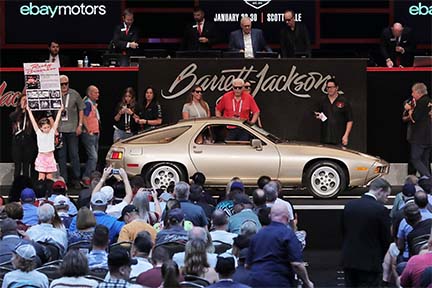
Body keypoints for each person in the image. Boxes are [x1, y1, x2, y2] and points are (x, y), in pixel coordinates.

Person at [247, 202, 313, 288]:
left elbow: (247, 265)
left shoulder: (257, 235)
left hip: (257, 280)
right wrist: (307, 282)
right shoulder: (288, 234)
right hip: (279, 281)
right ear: (287, 217)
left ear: (270, 216)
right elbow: (296, 264)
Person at [341, 178, 392, 287]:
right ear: (380, 191)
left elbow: (343, 231)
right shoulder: (380, 210)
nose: (386, 199)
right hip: (370, 263)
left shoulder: (349, 206)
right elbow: (386, 238)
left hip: (349, 259)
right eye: (386, 195)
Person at [57, 75, 85, 189]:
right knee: (61, 156)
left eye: (66, 84)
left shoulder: (74, 94)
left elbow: (81, 109)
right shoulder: (55, 95)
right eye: (62, 84)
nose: (64, 86)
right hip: (60, 130)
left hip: (73, 129)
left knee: (74, 155)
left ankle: (76, 179)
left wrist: (80, 125)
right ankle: (63, 180)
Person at [26, 101, 63, 180]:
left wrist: (60, 110)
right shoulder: (39, 133)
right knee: (41, 177)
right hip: (42, 157)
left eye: (48, 127)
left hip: (50, 156)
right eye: (45, 128)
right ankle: (40, 191)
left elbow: (56, 121)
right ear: (41, 128)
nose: (47, 129)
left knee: (49, 178)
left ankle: (49, 192)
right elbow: (33, 122)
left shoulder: (52, 132)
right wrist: (29, 111)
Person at [403, 83, 431, 179]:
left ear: (418, 92)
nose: (412, 94)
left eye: (413, 92)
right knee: (424, 160)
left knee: (415, 159)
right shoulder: (430, 101)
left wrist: (409, 109)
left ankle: (429, 179)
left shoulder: (421, 102)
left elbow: (414, 118)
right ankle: (428, 185)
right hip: (429, 135)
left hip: (419, 136)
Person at [314, 78, 353, 146]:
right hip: (325, 138)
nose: (329, 89)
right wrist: (317, 115)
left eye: (331, 87)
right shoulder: (323, 101)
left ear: (336, 88)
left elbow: (350, 120)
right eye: (328, 87)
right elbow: (316, 112)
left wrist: (346, 135)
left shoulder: (344, 101)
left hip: (339, 139)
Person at [10, 93, 37, 179]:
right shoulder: (16, 113)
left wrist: (28, 110)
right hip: (17, 142)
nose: (25, 102)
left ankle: (26, 185)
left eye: (27, 100)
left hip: (28, 141)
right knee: (17, 166)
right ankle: (16, 185)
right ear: (19, 102)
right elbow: (12, 117)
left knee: (26, 165)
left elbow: (34, 122)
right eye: (23, 100)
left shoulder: (31, 114)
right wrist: (20, 110)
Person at [81, 85, 100, 185]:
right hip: (89, 134)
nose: (98, 94)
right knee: (93, 157)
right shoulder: (87, 103)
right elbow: (83, 117)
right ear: (90, 94)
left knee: (94, 157)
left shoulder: (93, 104)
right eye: (95, 92)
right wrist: (88, 130)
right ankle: (86, 177)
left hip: (95, 133)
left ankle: (92, 176)